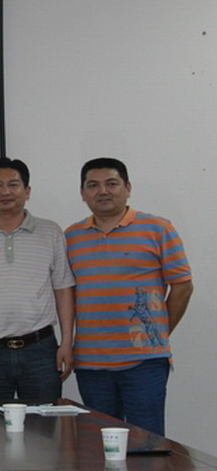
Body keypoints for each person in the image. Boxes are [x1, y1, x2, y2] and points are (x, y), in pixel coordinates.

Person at [65, 158, 193, 436]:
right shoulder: (71, 237)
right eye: (93, 185)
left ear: (128, 188)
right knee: (99, 445)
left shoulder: (158, 228)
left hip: (144, 363)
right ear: (82, 193)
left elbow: (182, 286)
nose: (103, 191)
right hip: (90, 363)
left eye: (111, 183)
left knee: (146, 444)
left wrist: (158, 332)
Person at [0, 157, 75, 400]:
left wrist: (66, 343)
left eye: (13, 185)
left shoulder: (50, 232)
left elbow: (63, 290)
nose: (5, 192)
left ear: (27, 191)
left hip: (40, 349)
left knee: (44, 422)